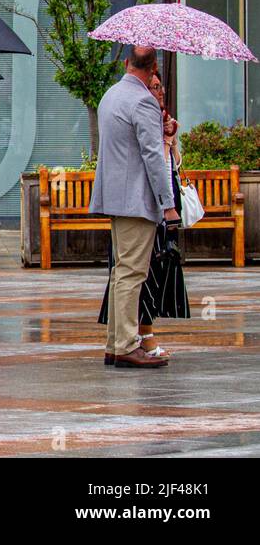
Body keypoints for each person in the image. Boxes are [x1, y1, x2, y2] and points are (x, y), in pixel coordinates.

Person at [90, 46, 178, 369]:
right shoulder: (143, 101)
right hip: (137, 201)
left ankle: (115, 342)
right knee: (131, 273)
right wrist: (168, 205)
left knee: (120, 272)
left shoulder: (110, 96)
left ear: (127, 63)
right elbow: (153, 157)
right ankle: (127, 344)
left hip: (115, 198)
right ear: (153, 68)